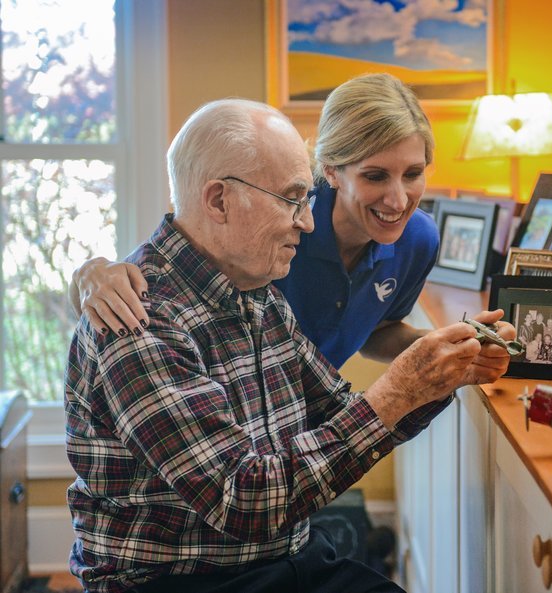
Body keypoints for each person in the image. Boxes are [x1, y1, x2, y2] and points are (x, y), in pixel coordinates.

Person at [64, 98, 513, 593]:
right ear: (218, 201)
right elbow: (243, 501)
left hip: (283, 553)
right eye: (293, 198)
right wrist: (400, 392)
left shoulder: (258, 293)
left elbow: (339, 410)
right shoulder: (139, 324)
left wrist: (447, 371)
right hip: (183, 578)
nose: (308, 221)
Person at [68, 73, 442, 370]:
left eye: (413, 174)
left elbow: (378, 330)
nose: (398, 199)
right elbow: (177, 267)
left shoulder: (418, 240)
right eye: (375, 176)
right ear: (330, 171)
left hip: (307, 417)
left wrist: (449, 345)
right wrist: (91, 274)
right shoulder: (280, 226)